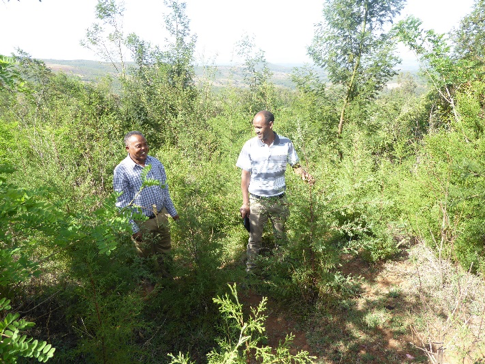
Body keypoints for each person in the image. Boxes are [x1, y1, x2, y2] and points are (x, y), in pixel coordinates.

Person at [236, 110, 313, 273]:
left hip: (279, 200)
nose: (256, 131)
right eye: (254, 127)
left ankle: (280, 271)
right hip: (257, 200)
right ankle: (251, 272)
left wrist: (306, 177)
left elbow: (296, 166)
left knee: (281, 238)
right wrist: (245, 203)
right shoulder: (249, 145)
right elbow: (245, 177)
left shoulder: (286, 143)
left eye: (259, 127)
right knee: (254, 239)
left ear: (270, 125)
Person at [113, 131, 179, 277]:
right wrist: (134, 229)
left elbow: (164, 190)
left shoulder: (155, 163)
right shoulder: (122, 170)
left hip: (161, 216)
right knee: (146, 257)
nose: (144, 148)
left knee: (165, 252)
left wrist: (173, 214)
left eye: (145, 144)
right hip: (142, 222)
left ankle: (169, 282)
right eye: (138, 146)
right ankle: (151, 287)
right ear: (127, 148)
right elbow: (122, 204)